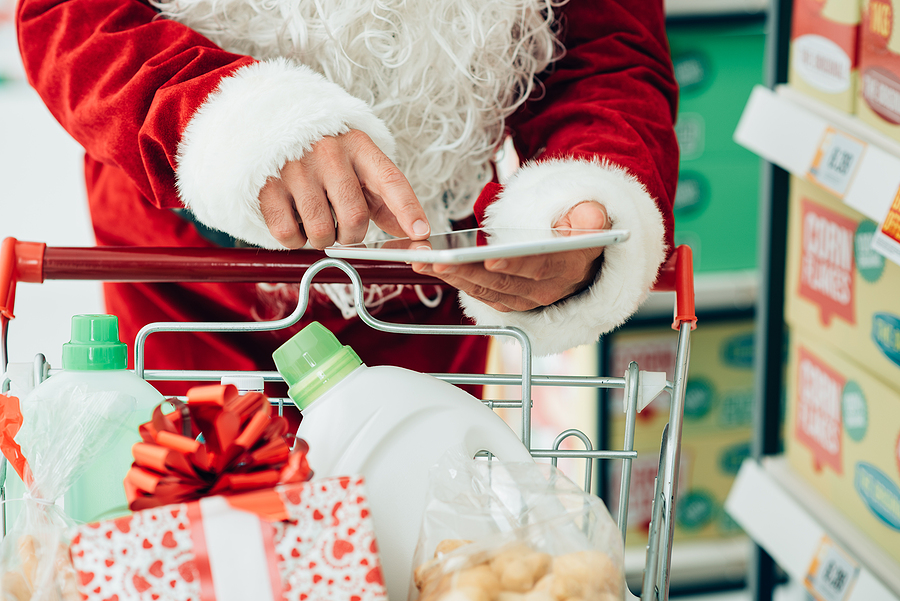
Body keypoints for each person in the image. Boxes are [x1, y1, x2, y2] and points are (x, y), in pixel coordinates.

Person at [15, 0, 678, 397]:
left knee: (417, 534)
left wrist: (587, 195)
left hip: (424, 268)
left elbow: (607, 46)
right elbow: (70, 14)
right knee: (199, 546)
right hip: (184, 268)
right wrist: (236, 118)